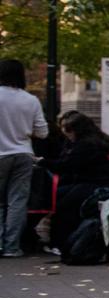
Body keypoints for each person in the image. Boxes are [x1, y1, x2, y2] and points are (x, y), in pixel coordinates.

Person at [37, 111, 109, 255]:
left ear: (76, 130)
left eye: (67, 130)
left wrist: (42, 162)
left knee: (63, 206)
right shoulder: (105, 140)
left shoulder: (85, 145)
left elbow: (66, 166)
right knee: (59, 196)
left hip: (94, 183)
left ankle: (60, 244)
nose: (66, 134)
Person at [0, 59, 49, 258]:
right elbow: (43, 132)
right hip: (23, 154)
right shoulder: (31, 100)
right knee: (17, 201)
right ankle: (12, 247)